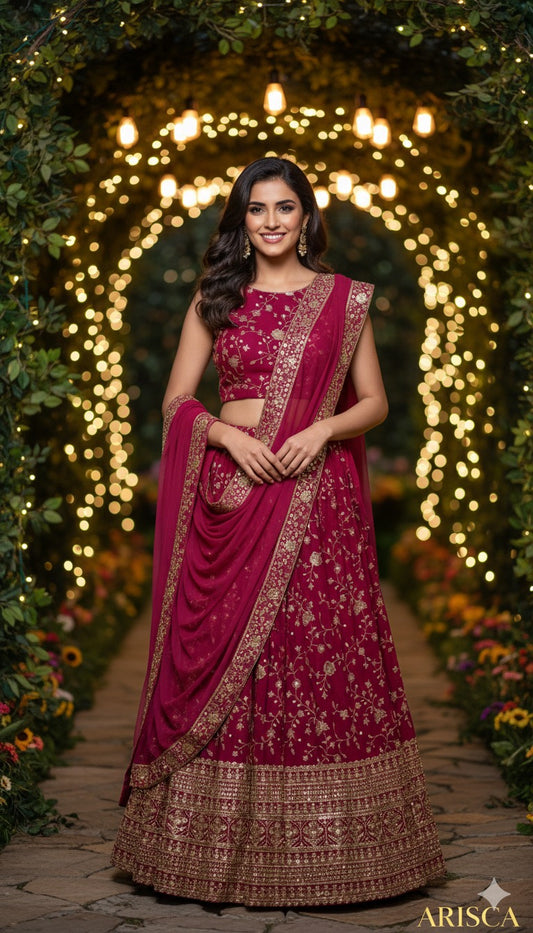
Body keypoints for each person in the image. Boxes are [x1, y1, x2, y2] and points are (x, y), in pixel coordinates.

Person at [112, 156, 445, 906]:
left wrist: (321, 429)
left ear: (306, 217)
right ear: (240, 220)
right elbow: (175, 401)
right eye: (255, 209)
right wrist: (225, 439)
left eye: (283, 208)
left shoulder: (343, 300)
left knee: (314, 651)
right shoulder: (216, 297)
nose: (269, 222)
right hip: (231, 493)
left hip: (314, 494)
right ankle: (206, 849)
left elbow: (375, 403)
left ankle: (333, 848)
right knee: (228, 655)